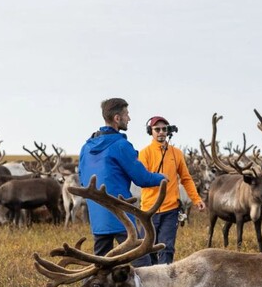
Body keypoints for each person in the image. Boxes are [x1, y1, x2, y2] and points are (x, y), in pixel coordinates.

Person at [78, 98, 166, 256]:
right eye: (127, 114)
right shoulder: (120, 145)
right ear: (117, 118)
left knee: (101, 265)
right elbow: (142, 179)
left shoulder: (86, 148)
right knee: (140, 263)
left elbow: (83, 179)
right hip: (122, 218)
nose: (129, 118)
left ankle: (90, 282)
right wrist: (162, 178)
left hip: (98, 218)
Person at [138, 115, 206, 265]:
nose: (161, 132)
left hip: (171, 210)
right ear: (151, 131)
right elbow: (142, 179)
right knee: (146, 249)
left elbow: (186, 178)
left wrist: (197, 199)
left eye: (164, 129)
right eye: (157, 129)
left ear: (168, 132)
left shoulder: (176, 153)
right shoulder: (145, 153)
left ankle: (165, 283)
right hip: (149, 211)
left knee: (167, 248)